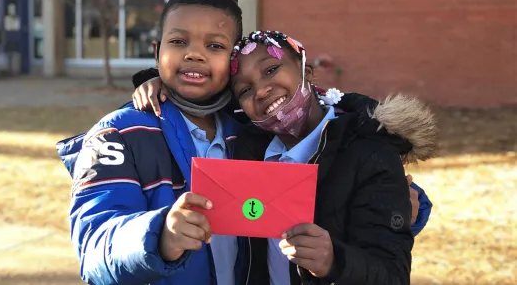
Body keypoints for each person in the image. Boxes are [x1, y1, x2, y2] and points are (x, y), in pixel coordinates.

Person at [132, 31, 435, 284]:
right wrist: (161, 84)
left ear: (305, 69)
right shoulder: (249, 151)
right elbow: (204, 99)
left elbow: (392, 273)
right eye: (245, 89)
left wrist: (334, 261)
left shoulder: (368, 154)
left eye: (271, 69)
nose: (262, 90)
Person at [56, 0, 268, 285]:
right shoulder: (117, 134)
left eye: (215, 46)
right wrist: (160, 236)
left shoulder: (254, 132)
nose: (194, 53)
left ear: (235, 60)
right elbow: (93, 249)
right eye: (179, 41)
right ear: (157, 52)